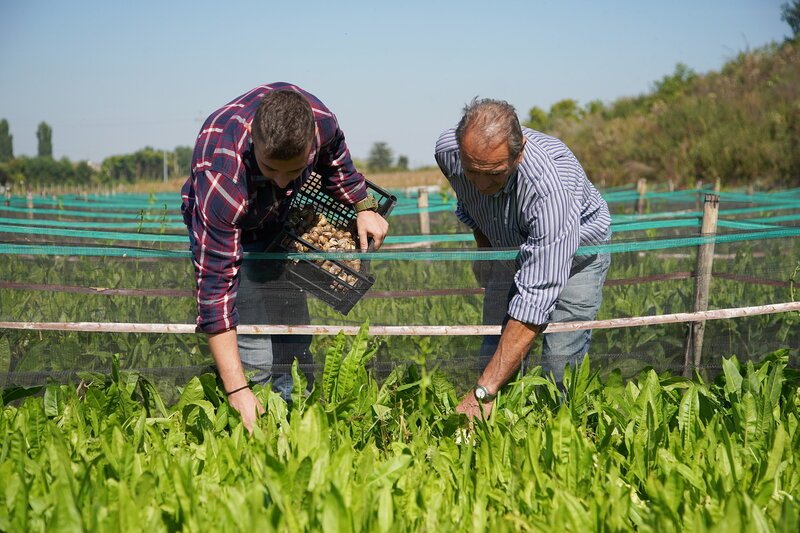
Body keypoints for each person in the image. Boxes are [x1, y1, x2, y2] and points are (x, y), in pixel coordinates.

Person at [181, 83, 389, 431]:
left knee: (292, 335)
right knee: (255, 348)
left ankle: (295, 412)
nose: (280, 181)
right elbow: (215, 290)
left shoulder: (320, 122)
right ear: (254, 144)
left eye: (293, 172)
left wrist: (363, 204)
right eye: (270, 168)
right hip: (234, 223)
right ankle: (252, 412)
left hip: (276, 221)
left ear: (310, 146)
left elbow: (336, 156)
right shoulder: (222, 181)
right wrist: (237, 389)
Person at [434, 98, 611, 420]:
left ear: (520, 152)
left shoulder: (550, 190)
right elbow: (474, 207)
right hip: (509, 248)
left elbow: (536, 295)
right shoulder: (448, 152)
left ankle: (561, 431)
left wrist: (482, 392)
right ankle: (495, 428)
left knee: (560, 361)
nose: (483, 184)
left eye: (496, 174)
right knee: (493, 350)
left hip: (574, 259)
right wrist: (486, 251)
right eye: (474, 172)